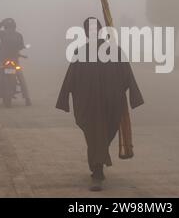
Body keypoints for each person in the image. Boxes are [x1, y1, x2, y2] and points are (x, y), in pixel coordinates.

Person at [56, 17, 144, 191]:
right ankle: (97, 172)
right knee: (96, 136)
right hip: (88, 104)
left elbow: (128, 76)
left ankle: (97, 166)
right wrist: (64, 98)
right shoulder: (81, 52)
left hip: (111, 103)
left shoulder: (115, 51)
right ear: (86, 33)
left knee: (101, 137)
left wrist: (134, 96)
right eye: (90, 30)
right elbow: (71, 77)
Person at [0, 18, 32, 107]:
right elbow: (21, 46)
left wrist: (0, 24)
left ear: (5, 26)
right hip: (14, 61)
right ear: (14, 26)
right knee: (22, 79)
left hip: (3, 61)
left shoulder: (3, 33)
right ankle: (27, 99)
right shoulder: (18, 35)